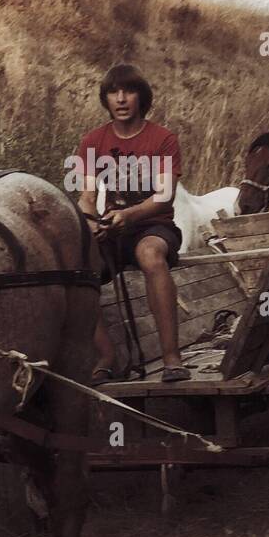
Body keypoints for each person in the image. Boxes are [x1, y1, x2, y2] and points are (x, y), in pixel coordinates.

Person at [75, 64, 188, 383]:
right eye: (113, 92)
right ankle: (107, 355)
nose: (121, 99)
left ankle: (171, 358)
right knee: (79, 268)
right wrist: (90, 220)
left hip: (154, 225)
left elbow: (164, 197)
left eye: (129, 91)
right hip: (112, 227)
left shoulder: (163, 139)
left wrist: (129, 215)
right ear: (106, 99)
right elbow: (86, 195)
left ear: (141, 97)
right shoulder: (92, 141)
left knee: (150, 255)